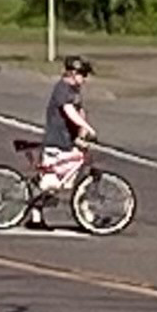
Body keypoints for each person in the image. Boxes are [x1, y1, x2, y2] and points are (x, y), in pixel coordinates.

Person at [36, 55, 96, 202]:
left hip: (67, 141)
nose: (85, 79)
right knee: (51, 183)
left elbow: (79, 112)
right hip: (56, 142)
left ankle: (84, 212)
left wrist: (82, 134)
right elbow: (69, 110)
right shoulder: (62, 88)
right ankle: (35, 212)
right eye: (84, 74)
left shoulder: (74, 90)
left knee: (77, 173)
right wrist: (87, 127)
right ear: (74, 74)